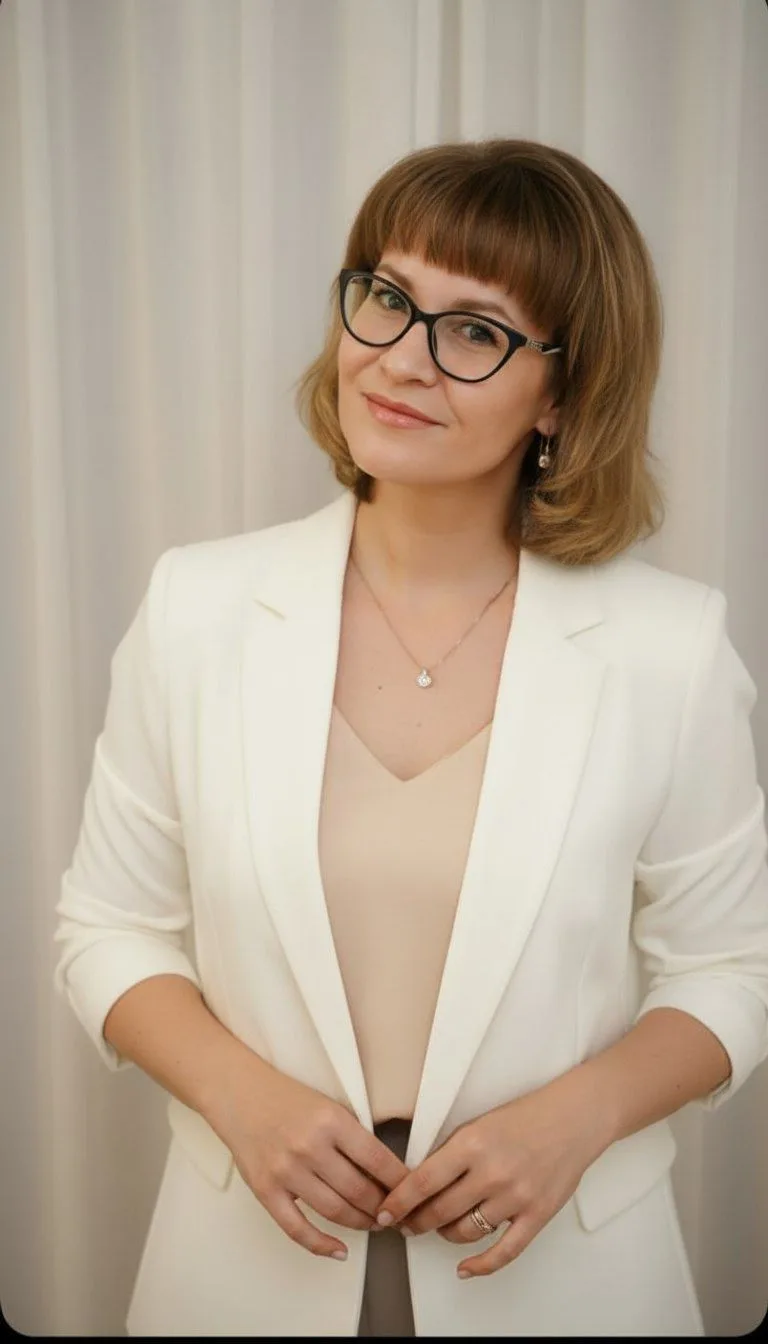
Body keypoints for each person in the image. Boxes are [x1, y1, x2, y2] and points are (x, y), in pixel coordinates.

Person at [53, 137, 768, 1338]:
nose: (399, 357)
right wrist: (240, 1096)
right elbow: (108, 928)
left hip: (565, 1282)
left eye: (474, 330)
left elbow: (734, 967)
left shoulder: (671, 647)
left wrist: (580, 1118)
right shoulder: (197, 607)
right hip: (242, 1274)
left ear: (564, 394)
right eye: (387, 298)